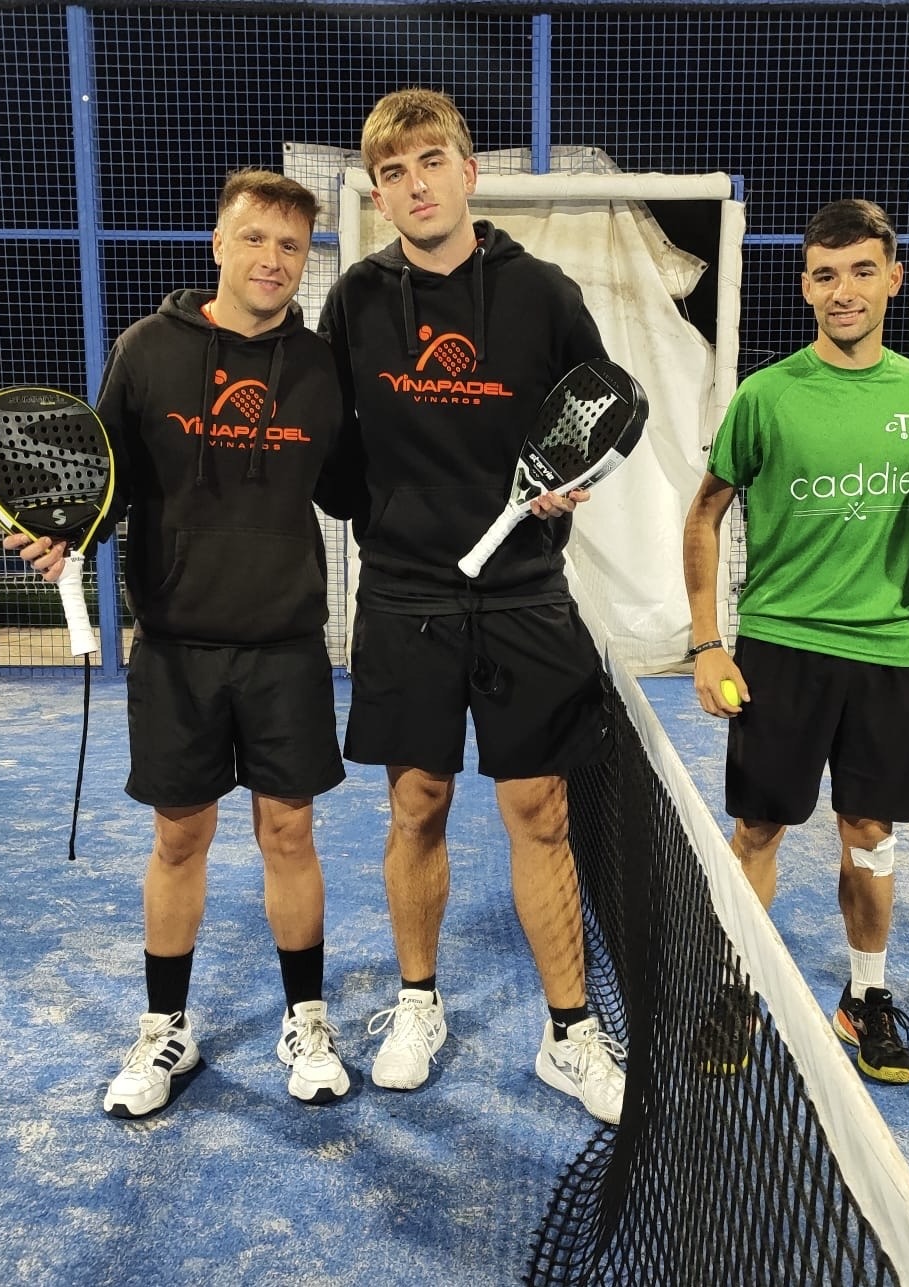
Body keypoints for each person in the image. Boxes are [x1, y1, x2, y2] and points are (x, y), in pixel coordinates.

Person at [8, 169, 360, 1119]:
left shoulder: (322, 367)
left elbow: (356, 488)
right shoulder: (148, 350)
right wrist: (60, 529)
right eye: (254, 238)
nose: (272, 260)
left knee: (289, 832)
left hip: (285, 645)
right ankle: (165, 1026)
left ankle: (306, 1019)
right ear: (217, 244)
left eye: (291, 246)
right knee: (179, 836)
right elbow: (104, 483)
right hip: (174, 646)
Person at [316, 88, 625, 1124]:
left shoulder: (542, 292)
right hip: (405, 593)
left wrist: (573, 488)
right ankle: (417, 1004)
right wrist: (386, 518)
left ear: (468, 171)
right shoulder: (355, 300)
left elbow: (596, 419)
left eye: (430, 162)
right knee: (417, 804)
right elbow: (332, 448)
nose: (415, 186)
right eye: (393, 172)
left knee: (540, 811)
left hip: (523, 591)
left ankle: (568, 1033)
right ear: (378, 192)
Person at [682, 199, 909, 1085]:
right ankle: (734, 989)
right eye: (825, 275)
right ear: (804, 286)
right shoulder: (766, 394)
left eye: (862, 271)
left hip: (886, 652)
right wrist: (707, 642)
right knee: (758, 827)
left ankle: (864, 997)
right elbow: (703, 515)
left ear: (892, 279)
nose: (843, 291)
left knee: (869, 831)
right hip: (780, 647)